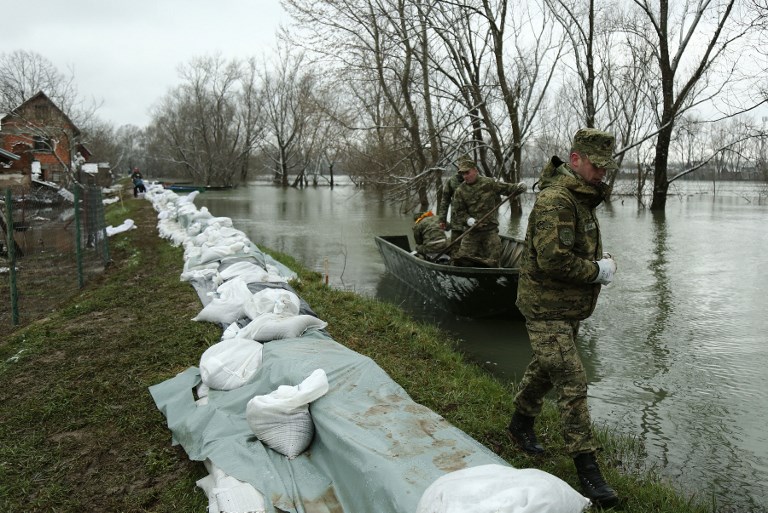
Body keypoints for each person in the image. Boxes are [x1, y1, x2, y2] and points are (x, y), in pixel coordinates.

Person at [507, 128, 620, 508]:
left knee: (545, 368)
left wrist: (595, 268)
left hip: (565, 306)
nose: (602, 172)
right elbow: (554, 259)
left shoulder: (581, 197)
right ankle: (588, 470)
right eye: (596, 165)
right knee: (572, 383)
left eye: (606, 165)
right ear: (575, 160)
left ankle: (520, 423)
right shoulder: (557, 200)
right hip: (545, 308)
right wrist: (597, 271)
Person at [449, 158, 526, 267]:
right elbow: (458, 213)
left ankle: (495, 277)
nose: (465, 176)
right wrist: (469, 220)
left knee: (494, 259)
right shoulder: (460, 191)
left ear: (475, 171)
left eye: (467, 172)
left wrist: (519, 187)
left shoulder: (489, 183)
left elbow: (508, 188)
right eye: (462, 174)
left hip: (490, 231)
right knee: (461, 260)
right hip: (471, 232)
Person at [436, 163, 465, 249]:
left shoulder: (477, 180)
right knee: (455, 247)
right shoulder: (452, 181)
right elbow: (445, 201)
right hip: (457, 222)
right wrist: (442, 219)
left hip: (474, 222)